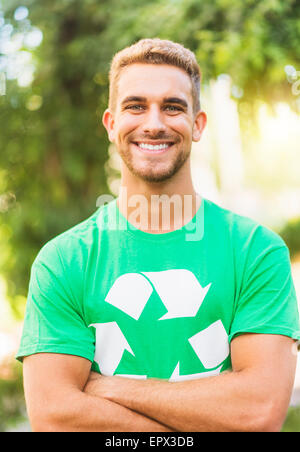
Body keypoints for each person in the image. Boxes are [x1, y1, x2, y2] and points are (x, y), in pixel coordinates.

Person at [17, 38, 300, 432]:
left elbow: (257, 412)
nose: (153, 123)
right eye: (135, 106)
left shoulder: (256, 252)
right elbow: (54, 416)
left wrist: (106, 388)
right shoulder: (63, 260)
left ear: (197, 125)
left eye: (172, 107)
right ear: (111, 124)